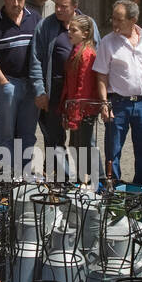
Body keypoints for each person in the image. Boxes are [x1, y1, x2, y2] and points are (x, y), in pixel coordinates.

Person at [94, 0, 142, 189]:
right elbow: (101, 75)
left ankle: (141, 187)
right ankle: (114, 187)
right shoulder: (107, 42)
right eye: (113, 18)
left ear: (133, 20)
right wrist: (104, 103)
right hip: (118, 103)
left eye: (119, 19)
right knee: (113, 148)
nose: (114, 23)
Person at [29, 0, 100, 168]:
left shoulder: (88, 25)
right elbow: (35, 59)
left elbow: (99, 59)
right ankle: (63, 180)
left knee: (83, 141)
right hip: (54, 91)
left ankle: (91, 180)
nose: (58, 9)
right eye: (56, 5)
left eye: (64, 6)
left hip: (81, 94)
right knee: (54, 139)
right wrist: (40, 90)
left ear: (75, 6)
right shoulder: (45, 26)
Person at [0, 0, 39, 175]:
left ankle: (24, 174)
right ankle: (7, 175)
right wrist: (2, 81)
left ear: (25, 0)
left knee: (28, 134)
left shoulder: (35, 18)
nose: (16, 3)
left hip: (31, 84)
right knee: (5, 134)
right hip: (8, 83)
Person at [58, 14, 102, 185]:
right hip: (75, 108)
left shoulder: (87, 54)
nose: (69, 32)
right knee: (75, 146)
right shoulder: (76, 51)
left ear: (85, 33)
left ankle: (89, 181)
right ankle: (81, 179)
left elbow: (83, 88)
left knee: (83, 147)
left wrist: (75, 116)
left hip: (84, 110)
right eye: (69, 29)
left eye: (74, 30)